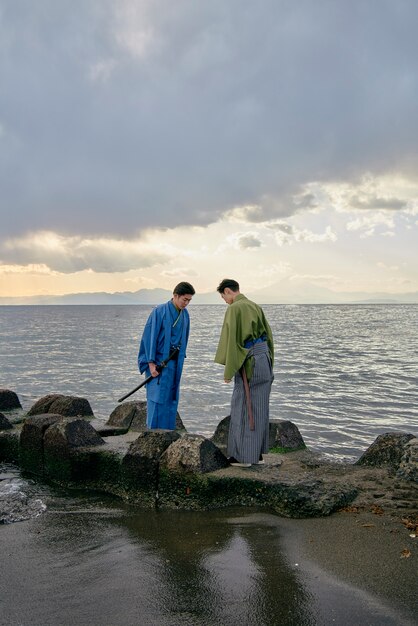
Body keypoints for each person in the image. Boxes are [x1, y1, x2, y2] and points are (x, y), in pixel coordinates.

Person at [214, 279, 274, 467]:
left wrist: (228, 370)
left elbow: (233, 342)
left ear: (227, 291)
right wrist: (270, 360)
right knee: (260, 406)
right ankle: (256, 454)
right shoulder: (255, 306)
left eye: (223, 297)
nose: (225, 301)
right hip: (264, 359)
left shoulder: (235, 308)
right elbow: (269, 337)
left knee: (243, 405)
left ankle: (242, 457)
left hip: (250, 362)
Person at [138, 282, 195, 429]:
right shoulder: (159, 312)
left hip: (174, 364)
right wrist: (150, 364)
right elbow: (149, 338)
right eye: (184, 299)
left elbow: (185, 338)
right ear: (175, 295)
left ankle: (168, 435)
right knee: (157, 399)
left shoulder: (185, 315)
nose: (186, 303)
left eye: (189, 300)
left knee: (171, 399)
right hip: (159, 364)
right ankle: (152, 436)